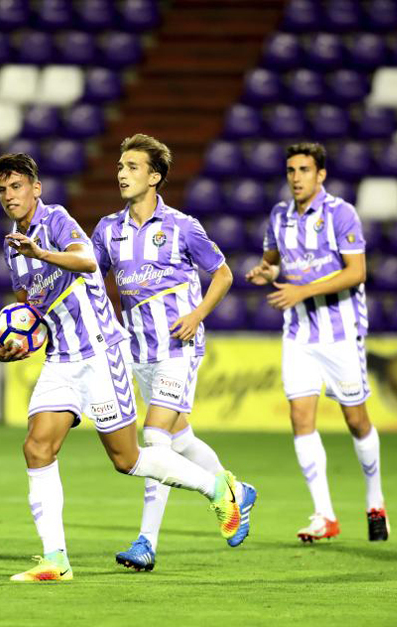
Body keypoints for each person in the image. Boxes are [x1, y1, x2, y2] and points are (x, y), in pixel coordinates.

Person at [0, 153, 249, 582]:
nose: (9, 196)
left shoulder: (55, 221)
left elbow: (87, 261)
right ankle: (55, 558)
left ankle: (217, 487)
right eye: (2, 189)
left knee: (128, 458)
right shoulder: (11, 247)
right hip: (61, 359)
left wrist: (43, 252)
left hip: (100, 353)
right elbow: (27, 304)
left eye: (16, 186)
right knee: (37, 447)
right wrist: (14, 340)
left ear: (35, 189)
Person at [91, 134, 256, 571]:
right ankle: (234, 490)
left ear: (155, 176)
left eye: (131, 166)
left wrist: (199, 314)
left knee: (155, 439)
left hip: (177, 347)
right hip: (137, 350)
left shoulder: (182, 226)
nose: (121, 173)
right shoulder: (108, 230)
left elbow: (222, 274)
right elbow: (89, 282)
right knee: (180, 439)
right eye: (120, 165)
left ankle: (146, 542)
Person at [245, 142, 388, 542]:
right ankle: (324, 515)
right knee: (300, 418)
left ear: (320, 174)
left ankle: (375, 501)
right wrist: (265, 270)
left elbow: (356, 272)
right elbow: (275, 260)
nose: (296, 177)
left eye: (304, 170)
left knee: (356, 420)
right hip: (299, 335)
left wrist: (301, 290)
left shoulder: (341, 213)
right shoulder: (279, 216)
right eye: (291, 170)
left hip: (341, 334)